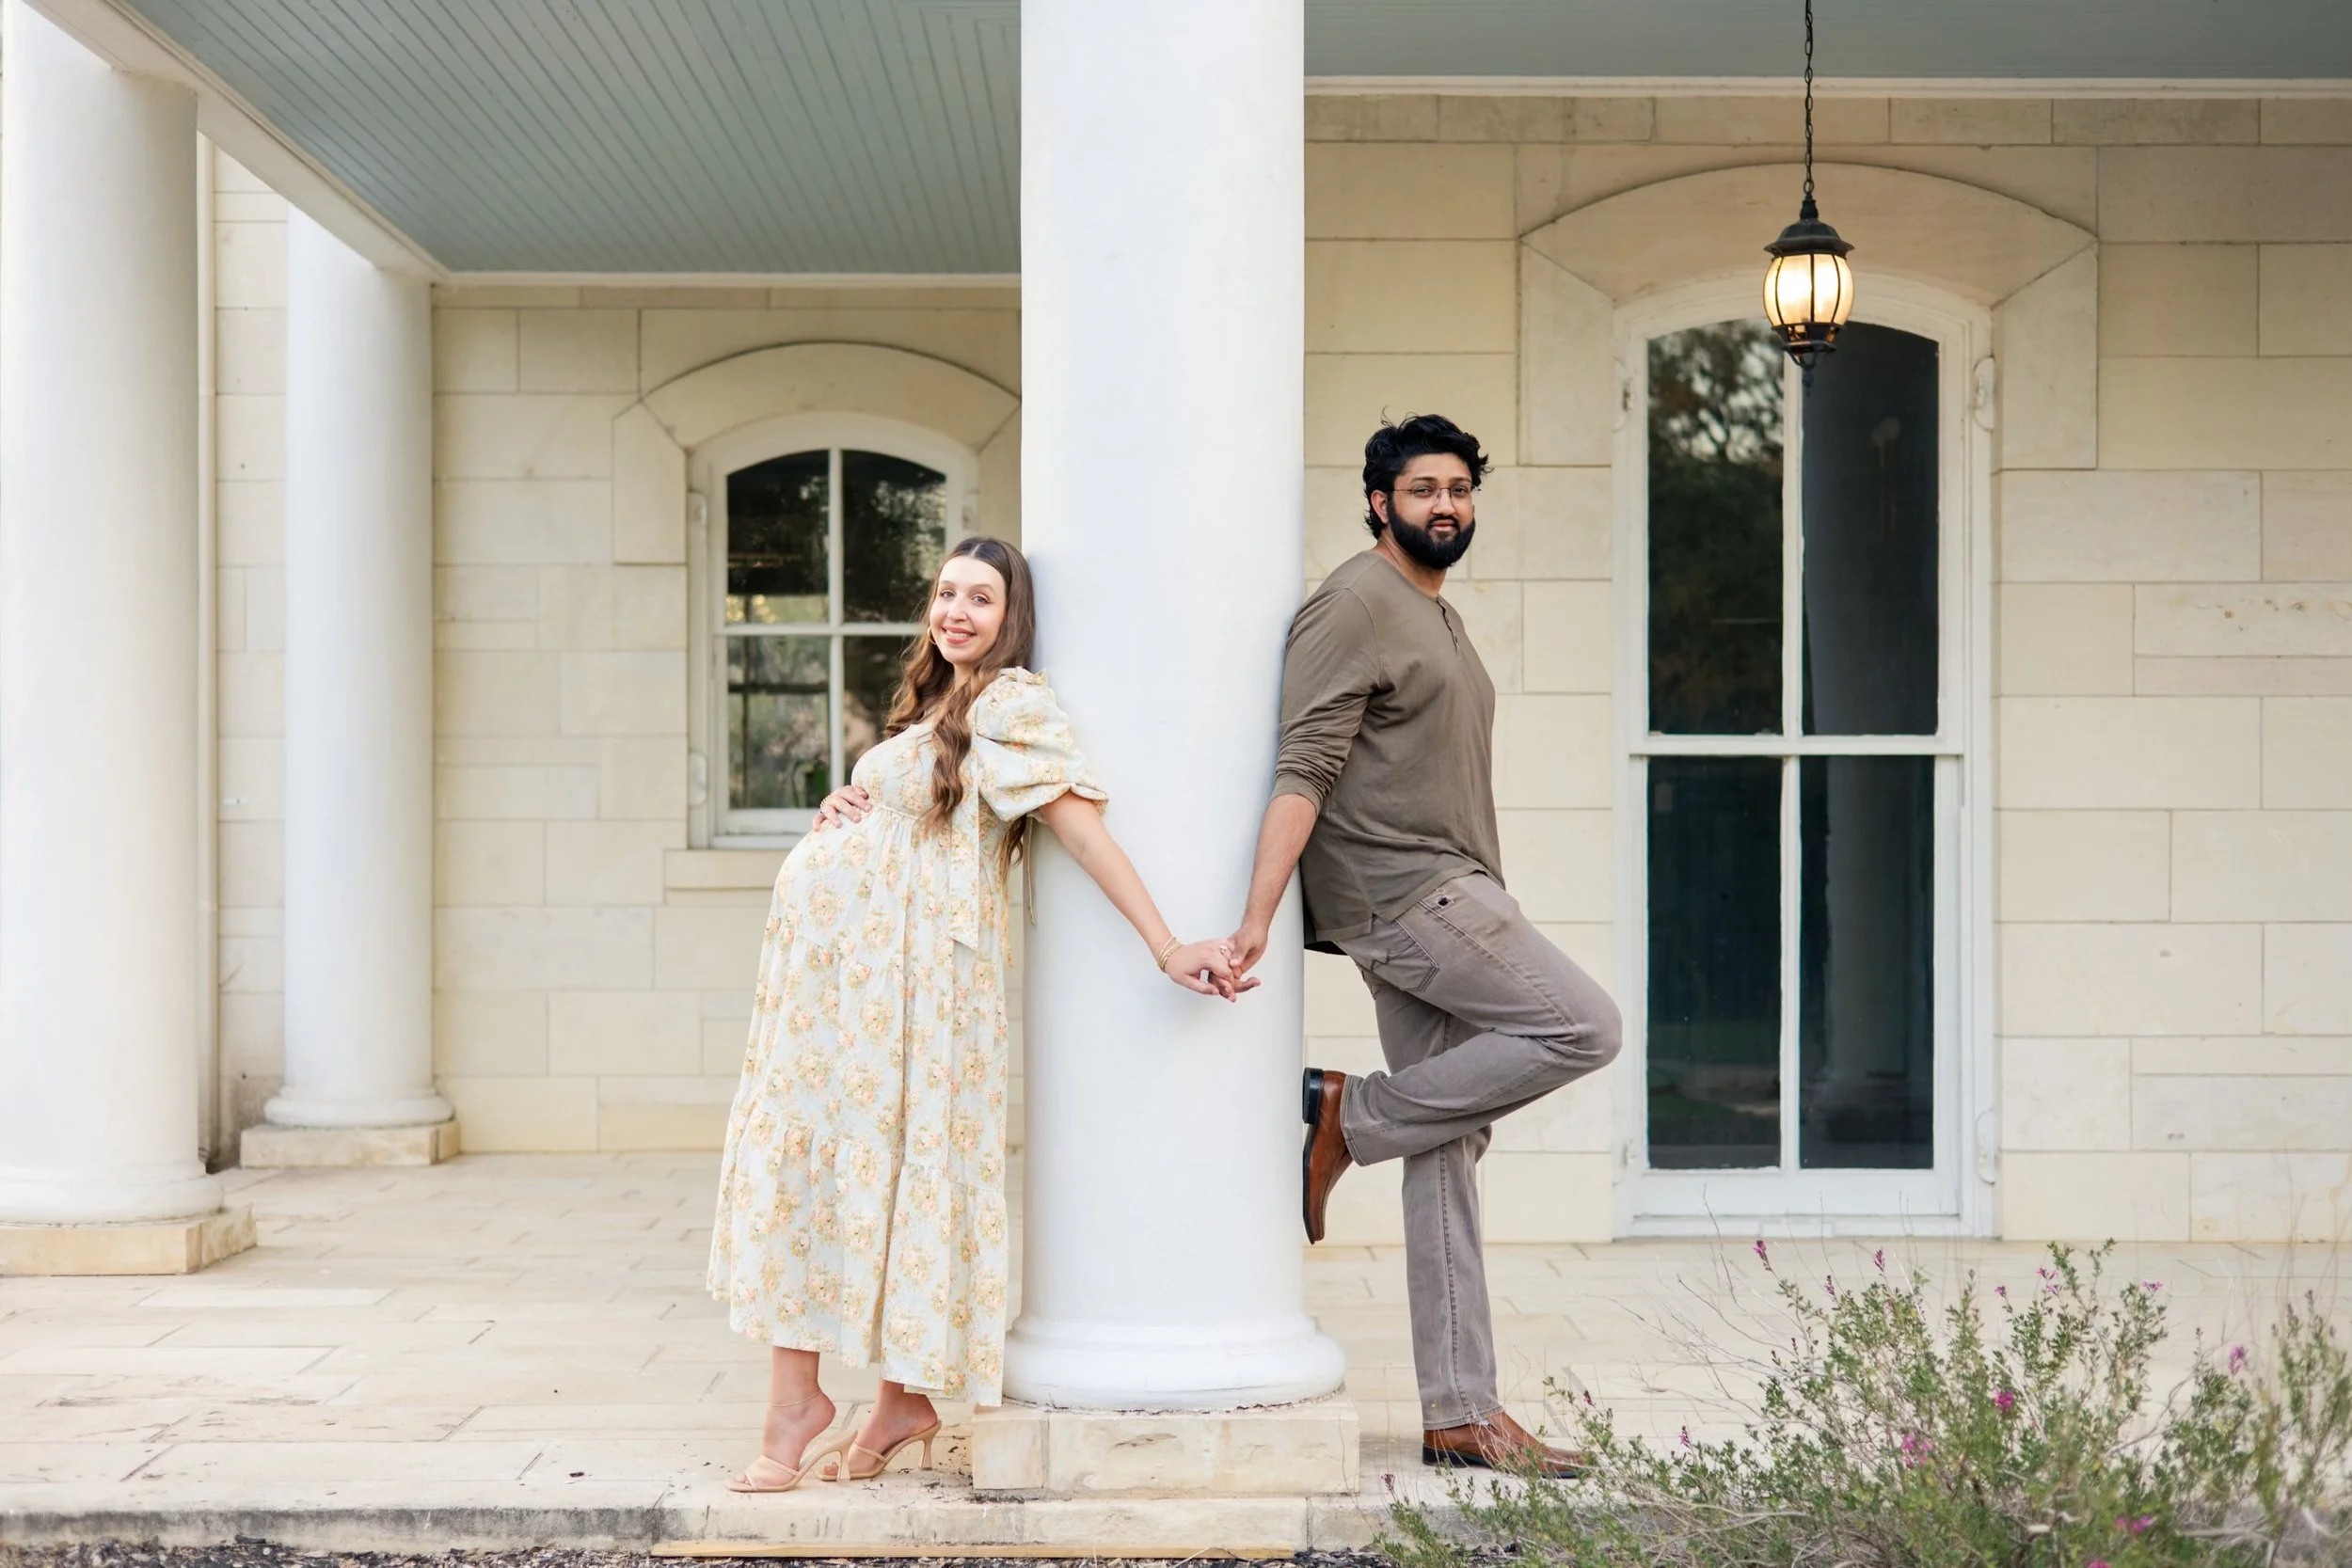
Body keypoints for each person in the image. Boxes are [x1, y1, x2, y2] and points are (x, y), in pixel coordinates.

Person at [707, 534, 1249, 1493]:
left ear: (1012, 618)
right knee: (815, 1161)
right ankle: (863, 1397)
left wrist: (1167, 945)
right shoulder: (930, 705)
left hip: (918, 989)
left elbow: (1082, 830)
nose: (957, 610)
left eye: (982, 598)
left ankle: (865, 1397)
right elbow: (909, 822)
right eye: (947, 591)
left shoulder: (1010, 705)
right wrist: (850, 804)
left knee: (895, 1163)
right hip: (843, 991)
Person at [1226, 414, 1622, 1478]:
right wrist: (1258, 917)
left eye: (1458, 489)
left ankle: (1459, 1412)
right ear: (1377, 500)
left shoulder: (1432, 609)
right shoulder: (1353, 601)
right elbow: (1302, 762)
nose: (1444, 505)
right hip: (1406, 894)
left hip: (1450, 886)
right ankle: (1345, 1114)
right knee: (1583, 1023)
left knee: (1446, 1142)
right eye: (1421, 490)